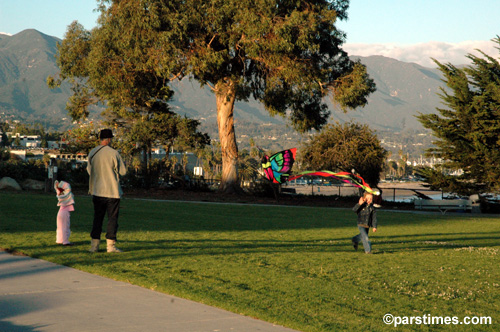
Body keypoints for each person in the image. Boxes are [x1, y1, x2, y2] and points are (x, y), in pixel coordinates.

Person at [87, 129, 127, 253]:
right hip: (112, 191)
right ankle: (111, 246)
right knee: (112, 219)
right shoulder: (114, 153)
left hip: (97, 191)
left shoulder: (93, 152)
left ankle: (94, 246)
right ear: (109, 139)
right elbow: (123, 172)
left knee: (97, 218)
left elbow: (89, 170)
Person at [55, 180, 74, 246]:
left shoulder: (60, 194)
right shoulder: (66, 195)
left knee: (60, 227)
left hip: (60, 212)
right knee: (65, 226)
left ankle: (59, 240)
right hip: (65, 212)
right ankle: (65, 241)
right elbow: (68, 190)